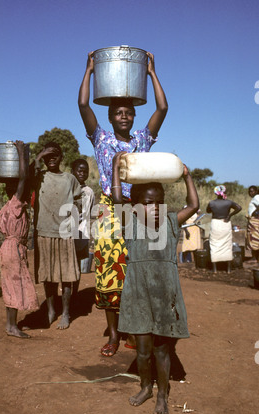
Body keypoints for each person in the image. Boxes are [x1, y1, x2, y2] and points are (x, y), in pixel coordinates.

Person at [78, 50, 168, 357]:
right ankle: (114, 335)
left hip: (139, 211)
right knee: (108, 271)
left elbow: (163, 107)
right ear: (110, 116)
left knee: (138, 270)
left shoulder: (142, 140)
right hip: (109, 210)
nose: (124, 116)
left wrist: (152, 73)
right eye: (118, 113)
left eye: (129, 112)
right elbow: (82, 104)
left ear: (134, 117)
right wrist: (90, 70)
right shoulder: (101, 140)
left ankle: (134, 330)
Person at [111, 152, 199, 414]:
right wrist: (116, 167)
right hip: (138, 293)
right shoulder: (131, 222)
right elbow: (117, 199)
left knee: (162, 349)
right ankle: (146, 387)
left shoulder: (172, 222)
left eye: (159, 202)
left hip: (164, 294)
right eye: (148, 203)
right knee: (142, 350)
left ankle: (162, 394)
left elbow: (193, 205)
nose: (155, 208)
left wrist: (187, 176)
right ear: (136, 205)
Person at [30, 142, 82, 330]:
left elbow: (78, 198)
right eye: (47, 156)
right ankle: (51, 310)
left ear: (61, 158)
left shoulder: (69, 179)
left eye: (55, 155)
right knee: (48, 275)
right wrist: (38, 156)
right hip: (43, 231)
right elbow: (25, 176)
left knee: (66, 275)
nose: (51, 158)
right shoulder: (39, 177)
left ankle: (66, 312)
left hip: (65, 232)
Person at [0, 141, 39, 338]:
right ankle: (13, 327)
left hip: (7, 247)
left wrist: (37, 158)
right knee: (14, 284)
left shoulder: (7, 206)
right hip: (13, 248)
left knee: (8, 285)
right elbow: (23, 178)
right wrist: (22, 152)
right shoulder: (15, 203)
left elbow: (25, 179)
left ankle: (8, 324)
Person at [71, 158, 95, 296]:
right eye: (79, 170)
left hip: (82, 233)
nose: (82, 173)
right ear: (72, 171)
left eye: (85, 171)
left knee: (77, 266)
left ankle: (74, 294)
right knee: (67, 265)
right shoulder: (67, 188)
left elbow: (89, 213)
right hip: (67, 233)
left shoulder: (89, 192)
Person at [206, 185, 242, 274]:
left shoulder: (212, 203)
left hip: (215, 224)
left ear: (216, 193)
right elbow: (239, 208)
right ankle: (228, 269)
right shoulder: (229, 202)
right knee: (227, 244)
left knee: (214, 244)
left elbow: (208, 211)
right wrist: (229, 215)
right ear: (224, 192)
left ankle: (215, 269)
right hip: (225, 223)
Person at [246, 186, 259, 265]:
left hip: (254, 221)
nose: (251, 193)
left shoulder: (256, 197)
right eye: (249, 191)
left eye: (252, 191)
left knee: (253, 239)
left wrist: (255, 212)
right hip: (256, 221)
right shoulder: (257, 197)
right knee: (257, 239)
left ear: (256, 191)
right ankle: (258, 258)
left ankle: (254, 258)